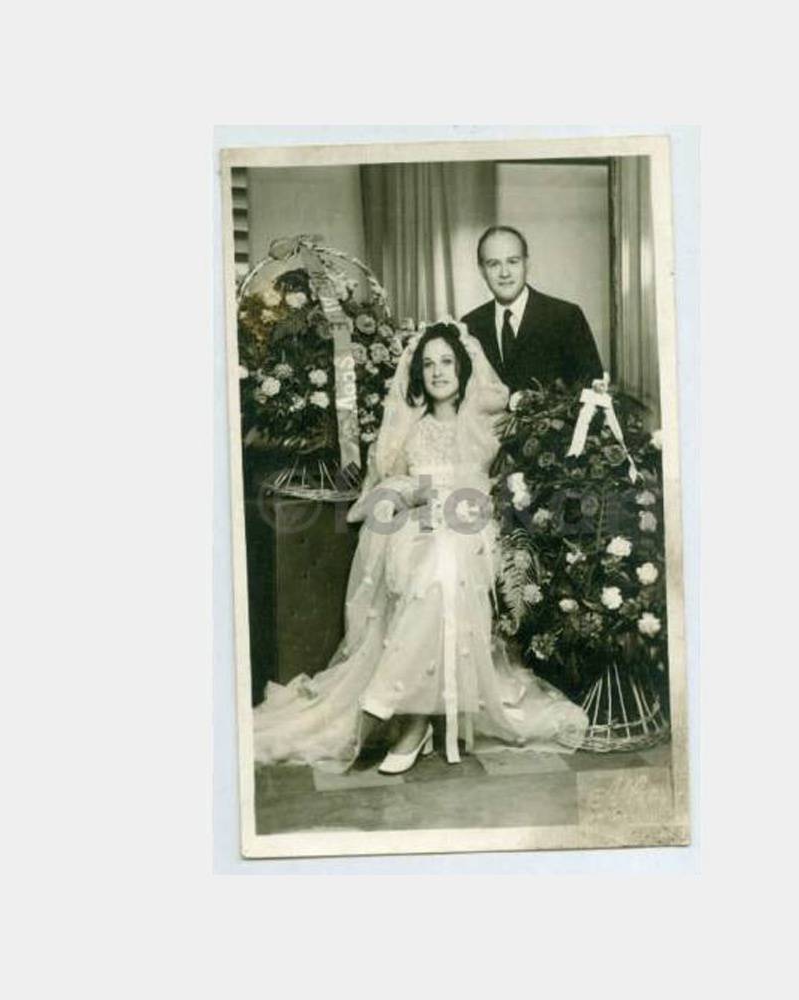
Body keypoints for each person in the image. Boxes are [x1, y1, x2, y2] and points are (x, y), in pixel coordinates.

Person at [254, 321, 587, 774]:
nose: (438, 372)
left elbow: (497, 487)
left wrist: (464, 502)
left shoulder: (486, 426)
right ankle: (420, 718)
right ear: (417, 374)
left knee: (446, 565)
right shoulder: (409, 429)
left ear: (463, 368)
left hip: (472, 526)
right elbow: (388, 486)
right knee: (432, 568)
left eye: (447, 362)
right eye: (428, 364)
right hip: (420, 525)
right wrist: (406, 494)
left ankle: (405, 717)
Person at [461, 225, 605, 392]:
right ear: (482, 271)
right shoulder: (470, 326)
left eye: (513, 261)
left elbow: (594, 393)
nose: (504, 273)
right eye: (494, 264)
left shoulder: (566, 318)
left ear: (526, 264)